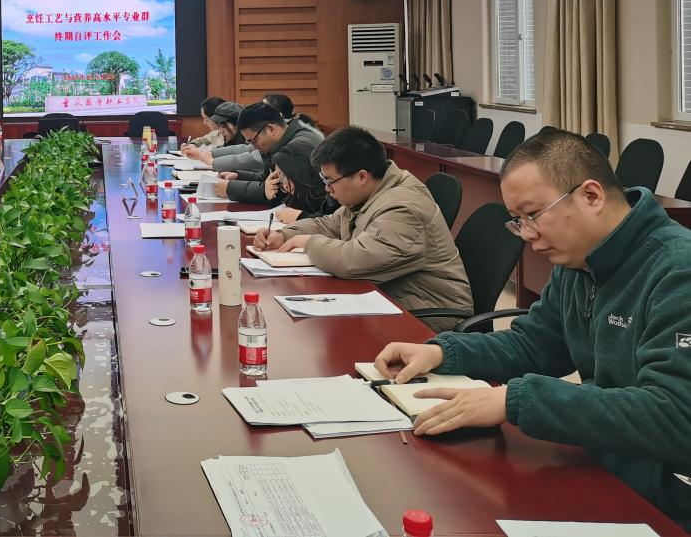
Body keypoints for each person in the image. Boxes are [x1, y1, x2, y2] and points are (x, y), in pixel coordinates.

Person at [373, 130, 691, 528]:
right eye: (518, 222)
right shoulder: (580, 259)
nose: (528, 236)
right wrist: (444, 352)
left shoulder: (677, 271)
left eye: (534, 215)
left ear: (591, 196)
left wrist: (515, 400)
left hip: (666, 498)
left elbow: (675, 415)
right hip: (601, 464)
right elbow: (536, 343)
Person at [253, 125, 471, 331]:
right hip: (390, 297)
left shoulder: (403, 208)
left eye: (330, 181)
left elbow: (353, 260)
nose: (327, 189)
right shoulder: (368, 194)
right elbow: (330, 224)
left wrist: (309, 243)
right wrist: (284, 235)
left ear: (362, 177)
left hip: (429, 315)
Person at [214, 102, 324, 206]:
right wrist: (239, 176)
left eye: (254, 141)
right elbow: (270, 179)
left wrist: (230, 188)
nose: (254, 147)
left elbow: (282, 192)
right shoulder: (282, 141)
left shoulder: (295, 149)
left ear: (270, 129)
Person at [265, 146, 335, 222]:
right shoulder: (297, 192)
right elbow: (279, 215)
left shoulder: (329, 192)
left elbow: (334, 222)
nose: (285, 186)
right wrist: (274, 197)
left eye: (284, 176)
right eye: (280, 178)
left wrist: (300, 217)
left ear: (300, 172)